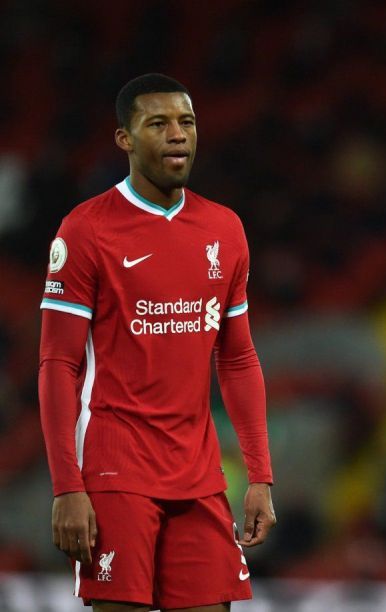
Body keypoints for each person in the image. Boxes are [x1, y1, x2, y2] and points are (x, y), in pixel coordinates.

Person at [38, 73, 276, 611]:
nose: (177, 135)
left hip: (199, 475)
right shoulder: (86, 230)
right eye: (159, 123)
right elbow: (57, 364)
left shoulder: (224, 229)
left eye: (186, 122)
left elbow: (237, 358)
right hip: (115, 470)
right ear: (125, 138)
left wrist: (260, 476)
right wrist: (66, 487)